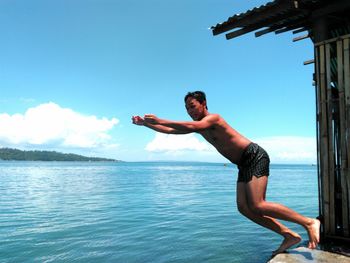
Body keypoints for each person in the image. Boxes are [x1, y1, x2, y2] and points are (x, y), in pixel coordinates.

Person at [132, 90, 320, 255]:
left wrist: (159, 119)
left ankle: (309, 222)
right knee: (244, 208)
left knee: (259, 204)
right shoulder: (201, 127)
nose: (190, 111)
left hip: (254, 155)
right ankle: (288, 235)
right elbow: (172, 130)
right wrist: (146, 125)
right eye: (187, 108)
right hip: (243, 163)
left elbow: (190, 126)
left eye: (192, 106)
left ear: (204, 104)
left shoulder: (213, 119)